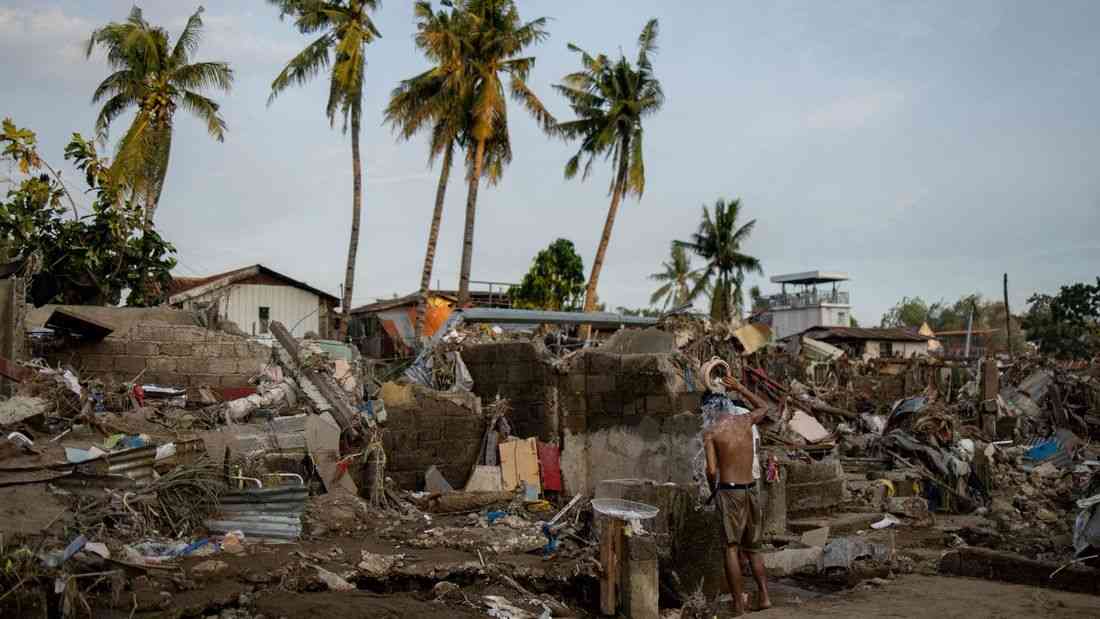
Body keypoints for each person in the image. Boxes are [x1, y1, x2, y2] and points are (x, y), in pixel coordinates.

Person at [704, 374, 772, 615]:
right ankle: (764, 597)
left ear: (707, 409)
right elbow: (764, 407)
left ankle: (738, 604)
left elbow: (712, 471)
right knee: (753, 548)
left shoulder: (711, 432)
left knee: (731, 547)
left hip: (729, 491)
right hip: (750, 489)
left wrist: (713, 485)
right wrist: (741, 387)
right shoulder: (745, 420)